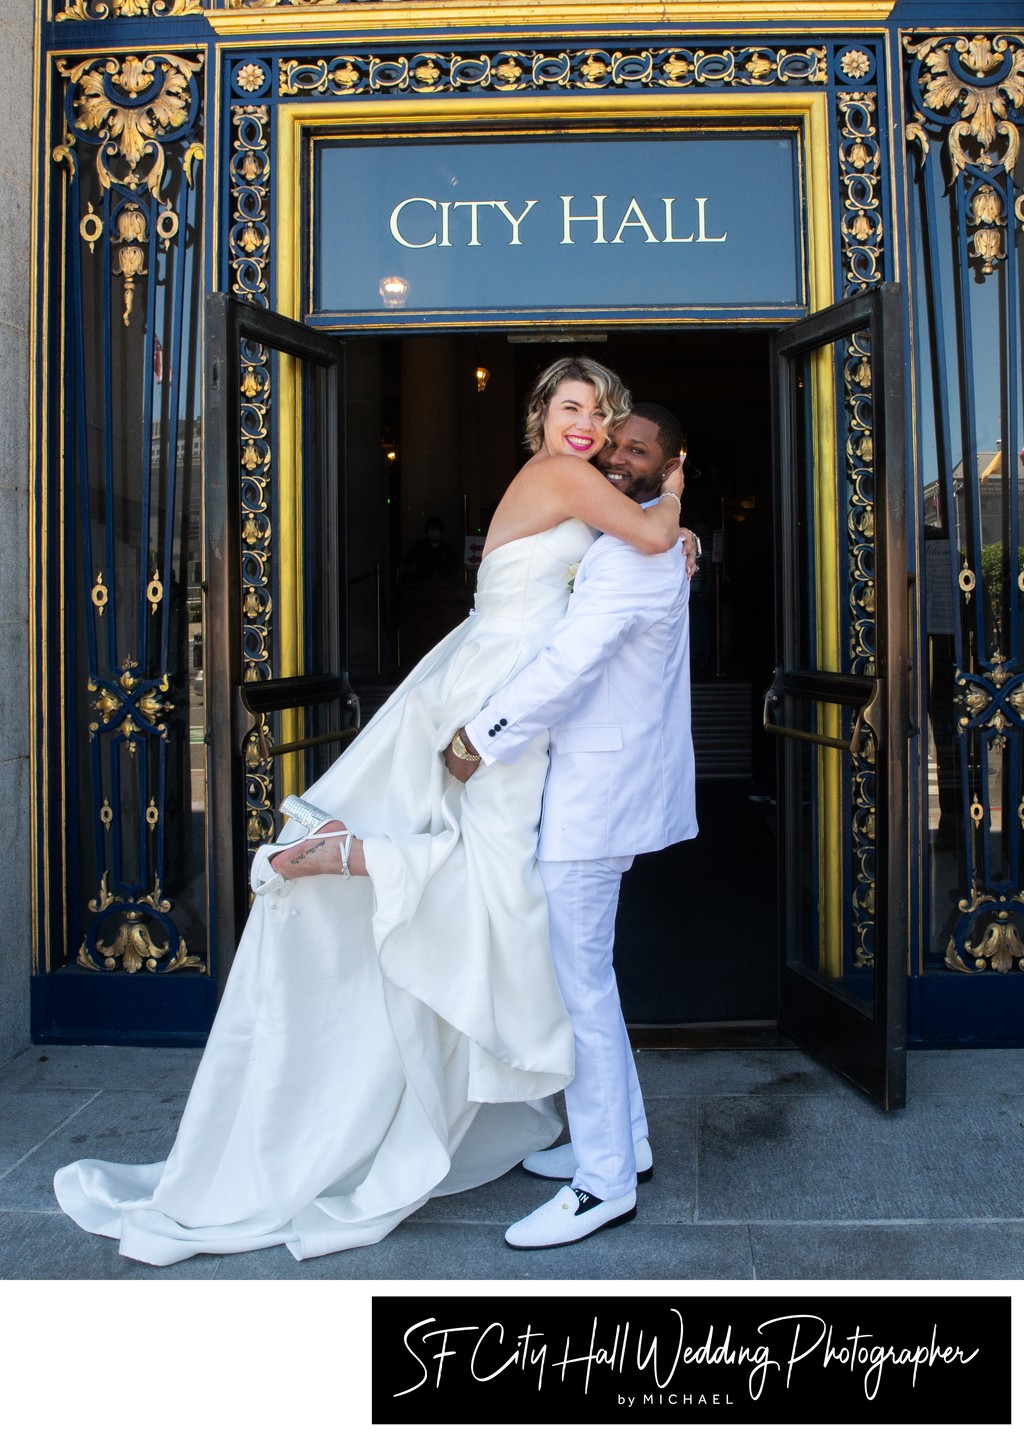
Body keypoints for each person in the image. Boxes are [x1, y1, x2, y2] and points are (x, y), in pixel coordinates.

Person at [53, 357, 686, 1266]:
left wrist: (666, 519)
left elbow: (633, 553)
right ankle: (348, 857)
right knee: (498, 890)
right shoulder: (566, 478)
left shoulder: (572, 484)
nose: (588, 427)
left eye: (604, 413)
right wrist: (678, 507)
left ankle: (608, 1133)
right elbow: (651, 539)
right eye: (572, 408)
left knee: (510, 897)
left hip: (491, 685)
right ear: (540, 416)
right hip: (499, 698)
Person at [443, 402, 697, 1249]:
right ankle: (625, 1141)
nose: (619, 457)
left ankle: (602, 1184)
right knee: (592, 978)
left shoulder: (633, 553)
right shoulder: (646, 531)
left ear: (672, 462)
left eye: (638, 449)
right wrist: (673, 514)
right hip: (612, 784)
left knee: (581, 986)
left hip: (596, 794)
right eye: (614, 444)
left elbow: (568, 664)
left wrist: (481, 735)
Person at [398, 515, 461, 583]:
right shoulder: (419, 546)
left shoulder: (448, 548)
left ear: (441, 532)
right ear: (427, 531)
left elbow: (456, 568)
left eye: (437, 529)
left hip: (443, 585)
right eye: (432, 529)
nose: (435, 531)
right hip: (422, 584)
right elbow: (405, 563)